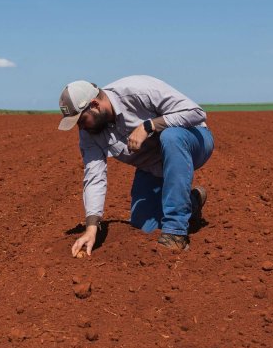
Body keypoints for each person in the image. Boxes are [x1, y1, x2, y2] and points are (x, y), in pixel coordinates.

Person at [58, 75, 214, 255]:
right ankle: (191, 202)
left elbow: (196, 112)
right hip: (153, 166)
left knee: (171, 137)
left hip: (193, 142)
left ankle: (175, 232)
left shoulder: (138, 90)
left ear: (94, 105)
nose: (81, 128)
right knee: (143, 226)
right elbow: (94, 176)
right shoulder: (89, 133)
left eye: (81, 120)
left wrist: (149, 126)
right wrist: (91, 228)